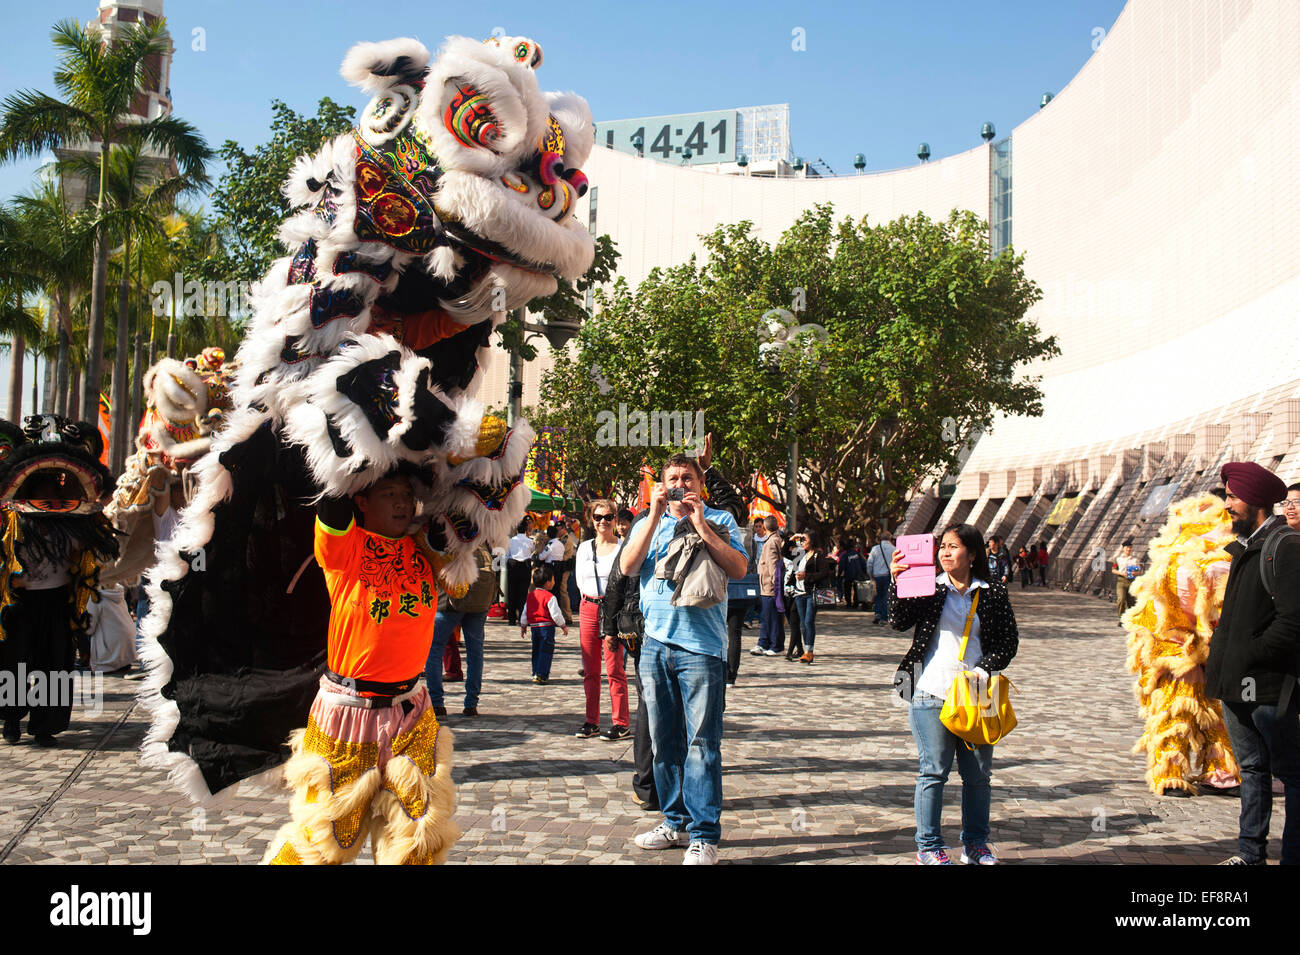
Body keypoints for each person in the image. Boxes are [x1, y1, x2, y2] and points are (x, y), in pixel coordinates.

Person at [263, 470, 459, 865]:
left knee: (420, 838)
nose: (402, 502)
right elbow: (332, 499)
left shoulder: (424, 550)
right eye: (389, 494)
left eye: (407, 494)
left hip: (411, 712)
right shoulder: (346, 547)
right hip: (347, 714)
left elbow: (465, 575)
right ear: (362, 501)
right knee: (322, 842)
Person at [622, 452, 747, 865]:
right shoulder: (647, 522)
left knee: (702, 745)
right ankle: (672, 821)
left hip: (702, 650)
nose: (680, 484)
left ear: (700, 483)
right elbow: (627, 566)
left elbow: (740, 568)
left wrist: (699, 525)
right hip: (654, 646)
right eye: (672, 478)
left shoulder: (721, 520)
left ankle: (704, 834)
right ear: (661, 484)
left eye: (687, 478)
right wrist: (654, 513)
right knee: (664, 743)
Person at [889, 523, 1019, 865]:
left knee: (978, 776)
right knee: (933, 771)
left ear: (972, 554)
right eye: (942, 547)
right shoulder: (928, 587)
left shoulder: (993, 592)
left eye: (953, 547)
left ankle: (976, 844)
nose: (945, 552)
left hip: (978, 695)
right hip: (930, 690)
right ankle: (928, 847)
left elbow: (1008, 642)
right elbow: (897, 621)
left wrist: (984, 667)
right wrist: (897, 581)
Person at [1204, 462, 1300, 865]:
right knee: (1252, 770)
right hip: (1235, 683)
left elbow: (1293, 621)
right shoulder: (1246, 546)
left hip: (1266, 686)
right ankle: (1250, 853)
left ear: (1256, 501)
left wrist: (1251, 654)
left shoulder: (1286, 547)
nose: (1227, 505)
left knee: (1292, 775)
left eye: (1232, 497)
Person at [1125, 493, 1240, 796]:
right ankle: (1175, 772)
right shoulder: (1193, 550)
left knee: (1211, 708)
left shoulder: (1195, 546)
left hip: (1201, 640)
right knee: (1180, 708)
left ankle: (1219, 771)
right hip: (1174, 641)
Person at [601, 508, 658, 811]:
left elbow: (615, 582)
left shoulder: (699, 516)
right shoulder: (645, 525)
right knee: (649, 706)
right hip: (643, 629)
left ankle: (654, 784)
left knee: (653, 706)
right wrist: (609, 628)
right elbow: (618, 578)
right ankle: (647, 785)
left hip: (664, 629)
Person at [574, 499, 628, 740]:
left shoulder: (623, 547)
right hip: (588, 606)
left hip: (612, 610)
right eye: (598, 517)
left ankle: (621, 722)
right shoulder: (584, 548)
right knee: (590, 669)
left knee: (615, 668)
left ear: (615, 518)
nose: (603, 521)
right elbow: (579, 580)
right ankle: (591, 720)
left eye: (608, 516)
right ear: (592, 520)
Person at [424, 543, 496, 718]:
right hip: (480, 600)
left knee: (434, 648)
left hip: (450, 601)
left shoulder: (451, 532)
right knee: (475, 652)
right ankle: (471, 703)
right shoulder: (483, 536)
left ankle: (437, 702)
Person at [725, 519, 761, 685]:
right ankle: (732, 675)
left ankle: (722, 672)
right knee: (735, 633)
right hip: (741, 588)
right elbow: (751, 562)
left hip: (723, 588)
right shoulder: (748, 539)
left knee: (719, 633)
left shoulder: (719, 531)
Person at [791, 531, 834, 664]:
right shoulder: (799, 554)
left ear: (812, 541)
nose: (802, 541)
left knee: (809, 621)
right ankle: (806, 650)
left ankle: (809, 651)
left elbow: (824, 573)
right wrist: (793, 539)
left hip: (812, 592)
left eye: (805, 539)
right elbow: (786, 552)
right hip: (799, 592)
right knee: (803, 623)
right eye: (801, 539)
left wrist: (807, 576)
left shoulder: (818, 555)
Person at [522, 565, 567, 684]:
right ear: (547, 583)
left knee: (536, 650)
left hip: (534, 627)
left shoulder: (530, 596)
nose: (554, 582)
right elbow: (556, 614)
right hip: (546, 627)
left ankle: (535, 672)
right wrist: (563, 625)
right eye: (553, 579)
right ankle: (542, 674)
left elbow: (525, 611)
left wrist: (523, 625)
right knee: (546, 651)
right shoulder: (550, 597)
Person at [754, 515, 785, 656]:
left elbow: (773, 565)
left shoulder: (772, 542)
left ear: (765, 527)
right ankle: (764, 642)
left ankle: (776, 645)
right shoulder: (775, 540)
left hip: (770, 587)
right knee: (766, 616)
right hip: (767, 586)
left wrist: (774, 583)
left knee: (772, 617)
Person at [505, 519, 536, 626]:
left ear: (516, 529)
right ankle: (522, 619)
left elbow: (506, 555)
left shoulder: (510, 541)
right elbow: (532, 551)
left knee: (512, 593)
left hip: (513, 566)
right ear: (526, 529)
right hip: (525, 567)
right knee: (523, 594)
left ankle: (511, 619)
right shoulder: (530, 541)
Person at [866, 532, 895, 625]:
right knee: (886, 596)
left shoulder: (875, 549)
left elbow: (869, 563)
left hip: (877, 575)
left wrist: (870, 574)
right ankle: (884, 617)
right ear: (890, 539)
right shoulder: (894, 549)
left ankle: (877, 612)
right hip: (888, 575)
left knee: (878, 595)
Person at [1113, 539, 1142, 626]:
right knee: (1121, 599)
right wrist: (1121, 573)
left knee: (1131, 601)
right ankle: (1121, 618)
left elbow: (1139, 570)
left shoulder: (1135, 560)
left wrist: (1135, 573)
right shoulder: (1118, 559)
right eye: (1127, 548)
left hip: (1131, 581)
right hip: (1121, 581)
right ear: (1123, 549)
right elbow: (1113, 570)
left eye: (1130, 548)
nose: (1128, 549)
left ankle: (1130, 618)